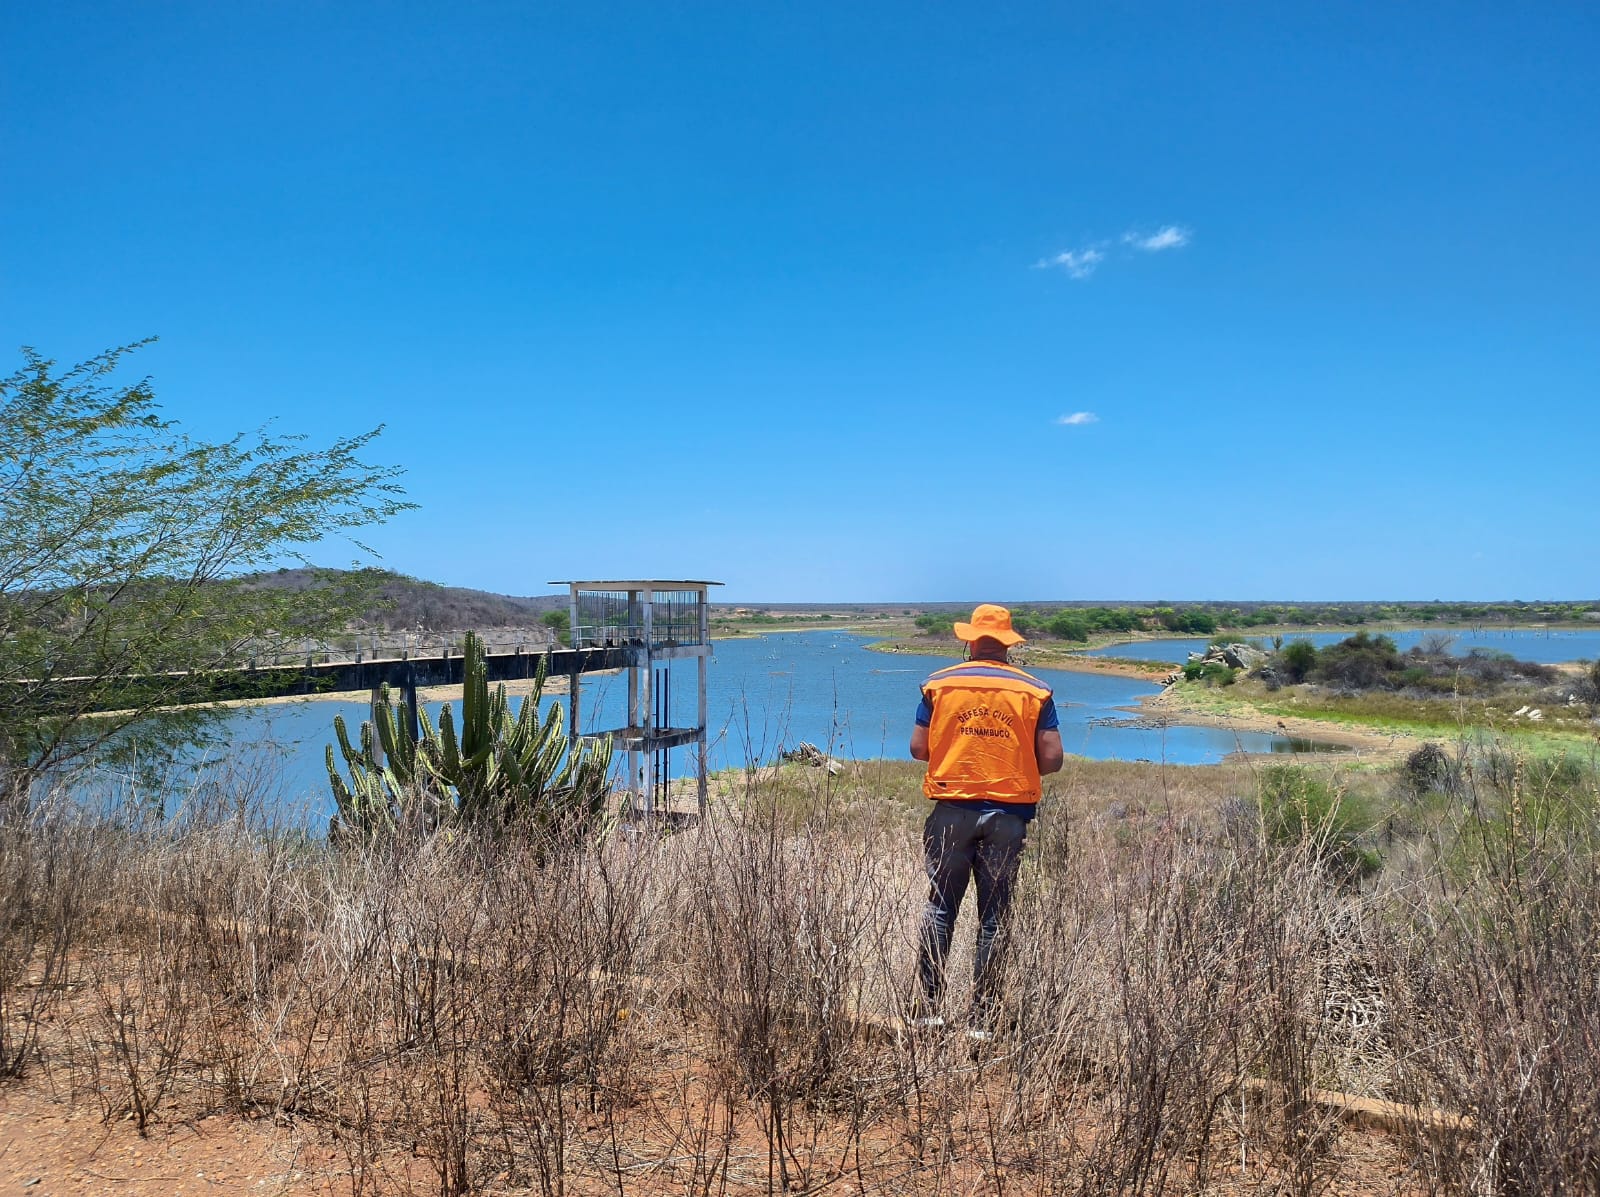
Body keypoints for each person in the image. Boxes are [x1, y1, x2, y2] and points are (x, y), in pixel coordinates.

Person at [909, 603, 1064, 1036]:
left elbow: (919, 749)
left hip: (951, 809)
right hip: (1009, 816)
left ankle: (928, 1012)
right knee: (993, 916)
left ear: (969, 641)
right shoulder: (1035, 691)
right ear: (1009, 644)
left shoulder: (938, 685)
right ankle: (983, 1020)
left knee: (941, 908)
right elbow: (1051, 760)